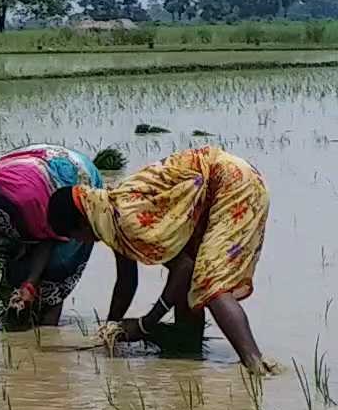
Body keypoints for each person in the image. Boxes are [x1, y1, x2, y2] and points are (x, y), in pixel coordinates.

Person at [47, 146, 271, 373]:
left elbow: (184, 267)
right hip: (224, 185)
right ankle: (189, 350)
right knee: (191, 289)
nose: (82, 241)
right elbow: (126, 284)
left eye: (75, 236)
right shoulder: (109, 216)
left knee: (209, 283)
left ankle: (256, 366)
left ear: (82, 222)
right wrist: (110, 330)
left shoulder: (126, 219)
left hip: (233, 185)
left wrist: (146, 323)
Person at [0, 144, 104, 326]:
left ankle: (48, 330)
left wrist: (30, 283)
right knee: (15, 278)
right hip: (28, 171)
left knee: (56, 268)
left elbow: (47, 239)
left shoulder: (19, 202)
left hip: (70, 177)